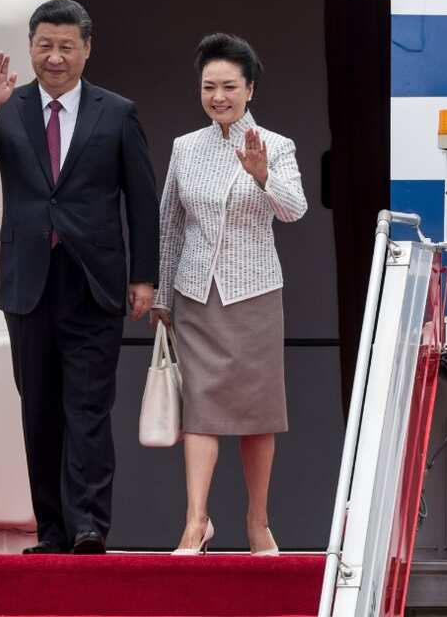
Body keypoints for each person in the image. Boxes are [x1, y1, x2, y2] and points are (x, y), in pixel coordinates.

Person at [0, 0, 159, 555]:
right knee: (39, 409)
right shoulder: (9, 108)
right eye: (45, 45)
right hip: (29, 281)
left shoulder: (117, 113)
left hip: (94, 281)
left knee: (87, 407)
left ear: (87, 48)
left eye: (67, 46)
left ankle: (88, 524)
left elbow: (142, 200)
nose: (55, 57)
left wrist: (144, 277)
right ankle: (51, 531)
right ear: (31, 46)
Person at [151, 33, 307, 556]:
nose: (219, 96)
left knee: (257, 411)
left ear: (250, 89)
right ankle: (196, 522)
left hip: (254, 291)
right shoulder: (184, 147)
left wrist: (263, 176)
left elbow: (295, 210)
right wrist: (163, 298)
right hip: (195, 292)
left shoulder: (275, 145)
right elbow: (169, 224)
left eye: (229, 86)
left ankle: (257, 522)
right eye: (209, 86)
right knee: (200, 408)